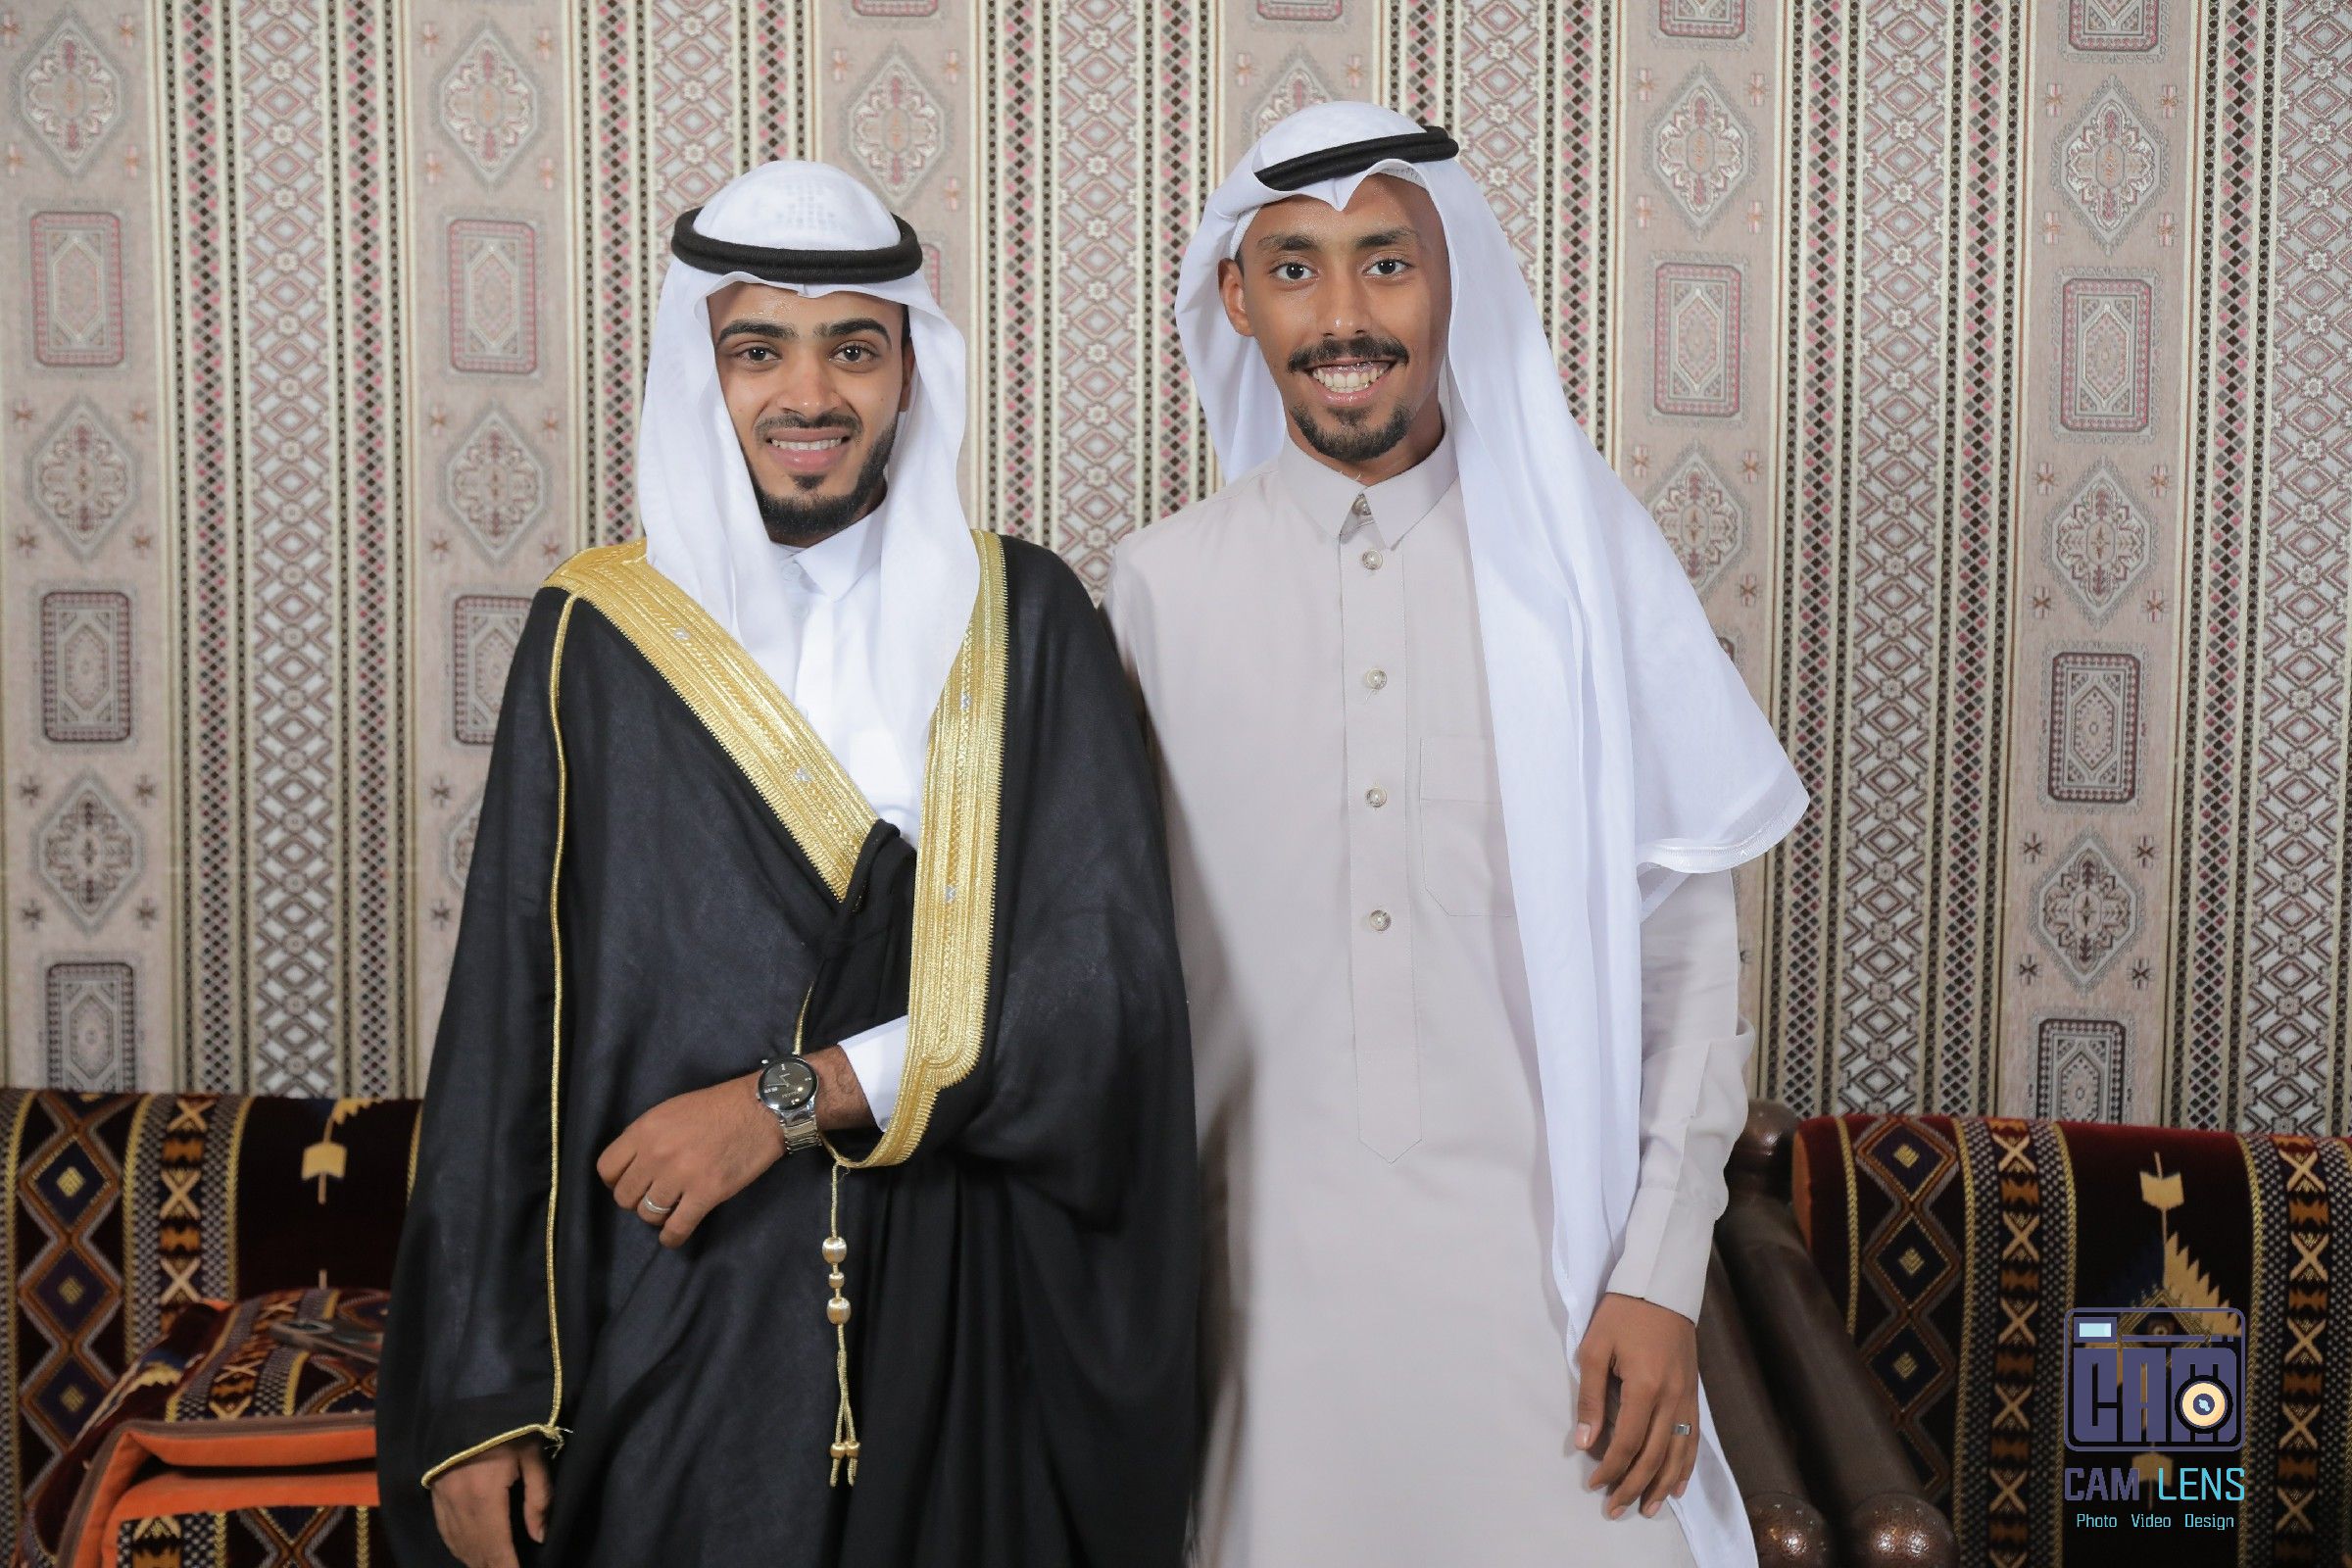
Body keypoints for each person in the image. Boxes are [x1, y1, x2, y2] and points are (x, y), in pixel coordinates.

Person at [378, 160, 1197, 1568]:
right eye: (758, 349)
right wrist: (482, 1393)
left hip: (967, 1303)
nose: (808, 394)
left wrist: (784, 1102)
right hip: (673, 1308)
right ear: (702, 372)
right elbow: (512, 1024)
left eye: (852, 349)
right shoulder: (597, 634)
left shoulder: (1025, 619)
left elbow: (1099, 994)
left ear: (908, 372)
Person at [1105, 102, 1806, 1568]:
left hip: (1558, 1315)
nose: (1342, 318)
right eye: (1293, 269)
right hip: (1255, 1322)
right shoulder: (1155, 594)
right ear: (1236, 300)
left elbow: (1687, 967)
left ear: (1452, 281)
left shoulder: (1587, 573)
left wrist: (1658, 1280)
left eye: (1386, 262)